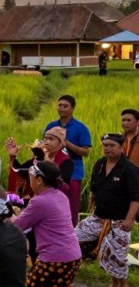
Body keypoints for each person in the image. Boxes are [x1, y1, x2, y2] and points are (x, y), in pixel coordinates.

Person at [11, 161, 82, 287]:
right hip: (71, 255)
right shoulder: (59, 195)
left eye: (31, 177)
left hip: (55, 258)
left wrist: (9, 216)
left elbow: (18, 227)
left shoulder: (40, 201)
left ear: (40, 180)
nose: (29, 181)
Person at [74, 133, 139, 287]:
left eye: (112, 145)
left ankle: (122, 285)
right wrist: (91, 203)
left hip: (119, 219)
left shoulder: (130, 169)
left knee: (118, 254)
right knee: (73, 236)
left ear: (121, 147)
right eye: (105, 145)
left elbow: (135, 197)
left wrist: (130, 219)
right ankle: (69, 273)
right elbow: (94, 188)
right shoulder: (100, 164)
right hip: (98, 216)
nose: (108, 148)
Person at [44, 95, 91, 225]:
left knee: (71, 206)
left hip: (74, 173)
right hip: (52, 170)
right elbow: (45, 146)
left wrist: (66, 143)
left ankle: (71, 234)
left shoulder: (81, 128)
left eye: (65, 106)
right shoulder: (51, 126)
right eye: (60, 105)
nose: (62, 108)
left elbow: (86, 151)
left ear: (73, 108)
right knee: (51, 205)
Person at [6, 127, 72, 199]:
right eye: (45, 138)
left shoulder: (66, 162)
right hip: (35, 200)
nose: (47, 142)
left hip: (54, 201)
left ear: (60, 143)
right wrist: (12, 156)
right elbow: (21, 172)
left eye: (51, 139)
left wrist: (47, 163)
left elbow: (59, 183)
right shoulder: (39, 158)